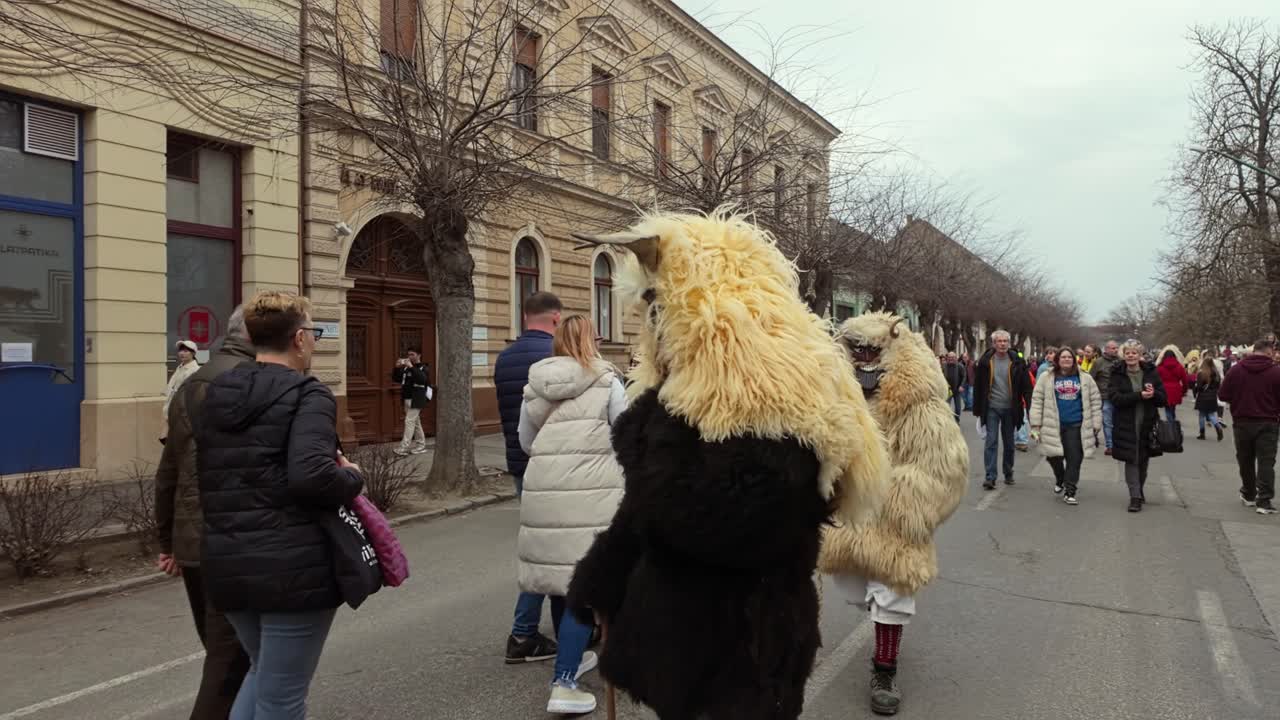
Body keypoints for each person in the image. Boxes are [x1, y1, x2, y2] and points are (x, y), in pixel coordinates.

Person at [567, 212, 888, 720]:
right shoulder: (690, 400)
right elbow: (642, 516)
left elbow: (714, 523)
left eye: (660, 313)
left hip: (744, 658)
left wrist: (644, 429)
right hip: (676, 646)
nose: (651, 335)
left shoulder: (785, 409)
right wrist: (601, 579)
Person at [196, 291, 363, 720]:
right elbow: (311, 476)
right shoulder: (309, 394)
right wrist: (353, 475)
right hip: (293, 568)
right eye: (314, 332)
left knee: (262, 674)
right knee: (283, 698)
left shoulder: (216, 392)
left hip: (227, 561)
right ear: (300, 338)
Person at [822, 312, 968, 716]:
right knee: (854, 589)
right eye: (857, 350)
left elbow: (944, 463)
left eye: (873, 350)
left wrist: (901, 501)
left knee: (891, 594)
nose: (865, 359)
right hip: (847, 514)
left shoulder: (919, 402)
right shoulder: (833, 394)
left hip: (894, 515)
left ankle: (884, 669)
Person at [517, 315, 627, 714]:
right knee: (585, 587)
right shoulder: (607, 382)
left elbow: (526, 441)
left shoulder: (537, 386)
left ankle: (572, 654)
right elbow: (626, 433)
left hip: (545, 491)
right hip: (591, 494)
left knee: (561, 581)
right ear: (589, 341)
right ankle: (563, 682)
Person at [155, 307, 253, 720]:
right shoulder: (261, 384)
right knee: (230, 664)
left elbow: (168, 474)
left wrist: (168, 543)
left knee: (223, 652)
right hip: (236, 542)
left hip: (193, 545)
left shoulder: (191, 386)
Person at [494, 291, 564, 663]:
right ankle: (535, 633)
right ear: (555, 319)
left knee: (542, 548)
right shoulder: (556, 358)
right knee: (559, 549)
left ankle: (532, 631)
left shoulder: (504, 357)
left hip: (521, 464)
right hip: (556, 467)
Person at [1030, 348, 1103, 505]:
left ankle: (1070, 490)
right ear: (1057, 359)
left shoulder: (1085, 378)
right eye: (1063, 357)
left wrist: (1096, 422)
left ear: (1074, 359)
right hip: (1052, 424)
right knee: (1053, 456)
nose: (1066, 359)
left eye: (1069, 357)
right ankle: (1060, 478)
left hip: (1076, 424)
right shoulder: (1046, 377)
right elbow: (1037, 400)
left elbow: (1095, 400)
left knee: (1074, 458)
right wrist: (1035, 424)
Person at [1217, 338, 1280, 515]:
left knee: (1245, 460)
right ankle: (1264, 501)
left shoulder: (1236, 370)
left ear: (1254, 351)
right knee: (1266, 462)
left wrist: (1239, 399)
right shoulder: (1276, 372)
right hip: (1268, 422)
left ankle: (1249, 493)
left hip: (1242, 421)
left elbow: (1222, 395)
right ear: (1270, 352)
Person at [1109, 340, 1165, 513]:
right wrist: (1138, 395)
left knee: (1143, 460)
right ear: (1123, 355)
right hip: (1126, 423)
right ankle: (1135, 497)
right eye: (1127, 353)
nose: (1131, 355)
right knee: (1131, 459)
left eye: (1134, 352)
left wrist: (1154, 393)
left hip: (1147, 423)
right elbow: (1115, 398)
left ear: (1140, 354)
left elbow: (1163, 399)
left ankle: (1139, 489)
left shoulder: (1150, 372)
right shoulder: (1117, 373)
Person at [973, 329, 1032, 489]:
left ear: (1009, 343)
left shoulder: (1017, 361)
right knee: (991, 441)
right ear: (994, 343)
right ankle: (990, 476)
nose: (1002, 344)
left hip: (1011, 408)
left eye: (1005, 341)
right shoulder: (986, 361)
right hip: (991, 407)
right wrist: (977, 409)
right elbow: (978, 385)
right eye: (999, 341)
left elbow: (1027, 386)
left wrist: (1029, 406)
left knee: (1009, 443)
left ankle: (1008, 472)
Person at [391, 347, 430, 455]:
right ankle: (421, 445)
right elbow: (396, 379)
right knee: (416, 422)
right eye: (408, 355)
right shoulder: (406, 368)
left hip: (417, 399)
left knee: (409, 421)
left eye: (412, 354)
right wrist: (397, 367)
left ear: (419, 355)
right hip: (407, 398)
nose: (409, 357)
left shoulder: (423, 367)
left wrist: (411, 367)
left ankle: (403, 447)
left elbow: (422, 379)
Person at [161, 339, 201, 443]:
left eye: (186, 351)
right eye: (180, 350)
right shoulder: (180, 368)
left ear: (193, 353)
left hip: (183, 415)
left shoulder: (195, 370)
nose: (182, 353)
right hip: (171, 412)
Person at [1091, 339, 1123, 455]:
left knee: (1119, 422)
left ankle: (1118, 443)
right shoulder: (1098, 362)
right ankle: (1110, 445)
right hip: (1105, 397)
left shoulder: (1121, 361)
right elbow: (1091, 378)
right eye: (1113, 348)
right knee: (1107, 422)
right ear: (1106, 349)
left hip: (1120, 397)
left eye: (1116, 348)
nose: (1115, 350)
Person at [1192, 356, 1226, 441]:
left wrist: (1195, 391)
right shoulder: (1216, 374)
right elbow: (1218, 386)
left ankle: (1202, 433)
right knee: (1212, 415)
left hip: (1203, 396)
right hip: (1212, 396)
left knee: (1202, 415)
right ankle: (1218, 428)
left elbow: (1199, 387)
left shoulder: (1201, 373)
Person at [1156, 348, 1193, 423]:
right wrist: (1184, 390)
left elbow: (1156, 380)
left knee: (1167, 409)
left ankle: (1171, 426)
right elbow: (1184, 380)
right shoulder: (1179, 366)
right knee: (1172, 409)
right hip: (1176, 389)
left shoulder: (1160, 367)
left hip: (1164, 390)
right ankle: (1172, 425)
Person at [941, 351, 965, 422]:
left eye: (952, 357)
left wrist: (961, 386)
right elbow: (940, 376)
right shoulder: (944, 366)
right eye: (949, 357)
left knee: (958, 408)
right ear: (947, 358)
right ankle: (947, 420)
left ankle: (956, 418)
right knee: (946, 406)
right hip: (948, 390)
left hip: (957, 390)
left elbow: (964, 376)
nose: (951, 359)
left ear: (955, 358)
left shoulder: (960, 366)